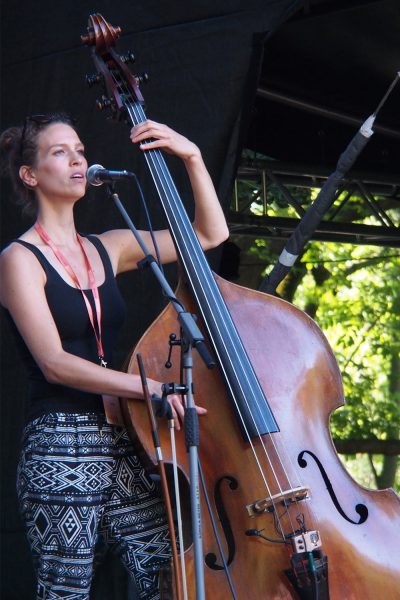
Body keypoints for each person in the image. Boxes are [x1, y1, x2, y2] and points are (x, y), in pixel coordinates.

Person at [0, 112, 229, 600]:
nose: (78, 159)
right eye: (60, 152)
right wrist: (153, 390)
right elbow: (54, 363)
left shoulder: (110, 247)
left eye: (80, 149)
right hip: (60, 444)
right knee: (66, 590)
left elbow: (208, 236)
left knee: (170, 577)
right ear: (30, 174)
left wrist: (192, 157)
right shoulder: (18, 260)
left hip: (123, 438)